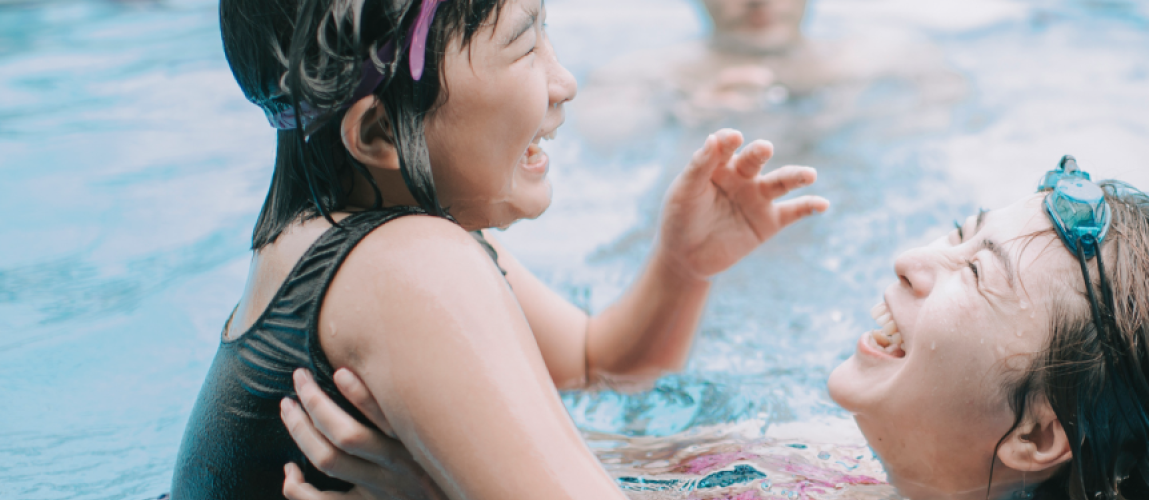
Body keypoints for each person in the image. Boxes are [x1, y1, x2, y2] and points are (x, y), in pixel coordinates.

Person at [278, 160, 1149, 500]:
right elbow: (583, 455)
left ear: (1037, 434)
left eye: (974, 273)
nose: (913, 259)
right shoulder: (833, 460)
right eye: (958, 234)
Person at [170, 0, 828, 497]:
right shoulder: (409, 267)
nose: (564, 81)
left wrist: (681, 269)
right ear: (378, 132)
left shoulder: (334, 238)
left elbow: (600, 364)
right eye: (523, 49)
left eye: (548, 31)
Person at [571, 0, 966, 158]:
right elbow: (601, 142)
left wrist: (864, 117)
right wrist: (683, 114)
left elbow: (955, 118)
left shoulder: (882, 56)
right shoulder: (648, 76)